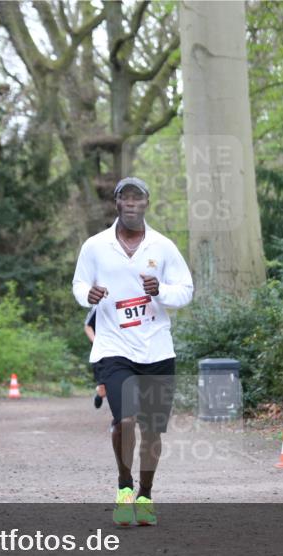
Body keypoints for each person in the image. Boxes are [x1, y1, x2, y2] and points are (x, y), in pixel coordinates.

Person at [72, 177, 194, 526]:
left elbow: (185, 290)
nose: (131, 204)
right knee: (124, 420)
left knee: (152, 430)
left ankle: (145, 495)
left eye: (137, 198)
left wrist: (162, 291)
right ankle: (125, 487)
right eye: (125, 198)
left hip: (156, 348)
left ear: (146, 204)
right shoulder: (95, 246)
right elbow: (79, 283)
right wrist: (88, 295)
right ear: (116, 204)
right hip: (113, 347)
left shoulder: (163, 247)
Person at [83, 309, 106, 409]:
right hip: (101, 353)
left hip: (124, 351)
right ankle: (100, 393)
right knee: (103, 389)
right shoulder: (97, 307)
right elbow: (87, 327)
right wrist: (97, 343)